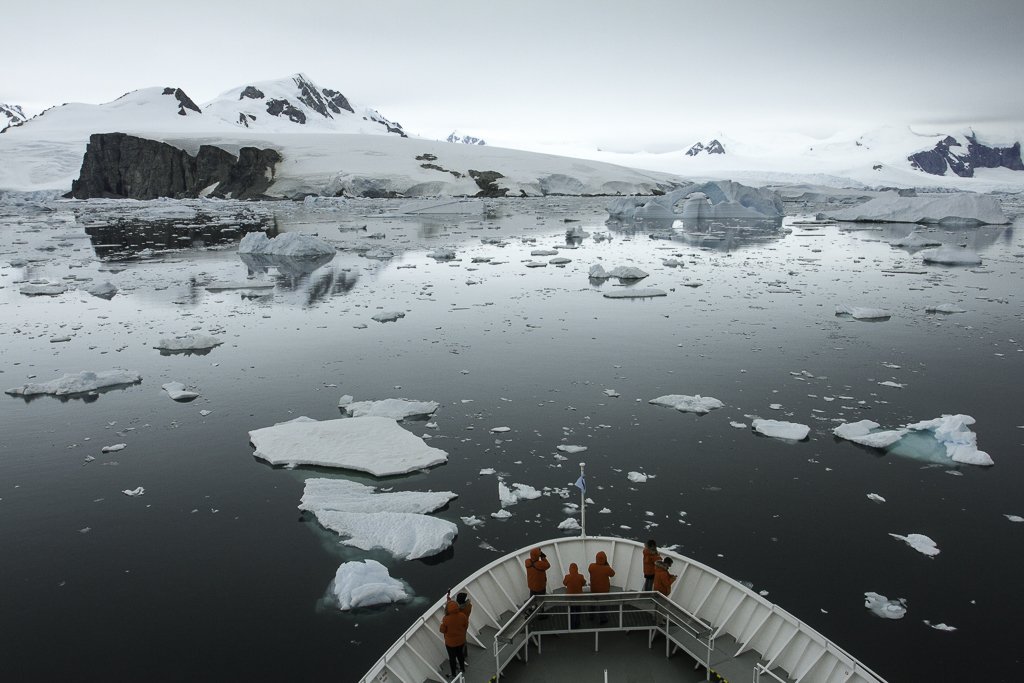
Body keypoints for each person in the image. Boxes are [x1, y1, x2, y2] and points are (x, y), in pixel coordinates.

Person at [439, 599, 468, 680]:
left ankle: (454, 674)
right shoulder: (462, 616)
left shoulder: (446, 619)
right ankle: (462, 669)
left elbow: (442, 630)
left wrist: (442, 624)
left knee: (452, 658)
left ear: (447, 609)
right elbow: (466, 626)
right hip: (461, 640)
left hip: (451, 643)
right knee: (460, 655)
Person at [588, 551, 615, 624]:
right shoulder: (607, 568)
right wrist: (607, 564)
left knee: (593, 604)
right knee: (603, 605)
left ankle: (591, 616)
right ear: (605, 559)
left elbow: (590, 570)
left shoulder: (591, 566)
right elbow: (612, 574)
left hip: (594, 590)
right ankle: (603, 619)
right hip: (604, 591)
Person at [525, 547, 550, 618]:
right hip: (540, 587)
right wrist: (542, 557)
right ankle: (540, 615)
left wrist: (537, 555)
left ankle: (530, 610)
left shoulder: (527, 562)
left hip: (531, 586)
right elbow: (548, 565)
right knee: (540, 602)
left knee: (532, 600)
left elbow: (531, 560)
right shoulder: (540, 564)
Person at [562, 562, 586, 628]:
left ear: (570, 569)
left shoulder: (567, 576)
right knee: (578, 610)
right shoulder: (581, 576)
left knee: (571, 611)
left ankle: (571, 625)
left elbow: (564, 583)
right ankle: (577, 623)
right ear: (577, 569)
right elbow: (584, 583)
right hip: (578, 597)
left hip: (570, 598)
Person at [456, 592, 472, 664]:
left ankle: (462, 656)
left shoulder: (459, 610)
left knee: (461, 641)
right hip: (465, 625)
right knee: (463, 639)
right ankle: (465, 654)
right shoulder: (469, 606)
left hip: (460, 627)